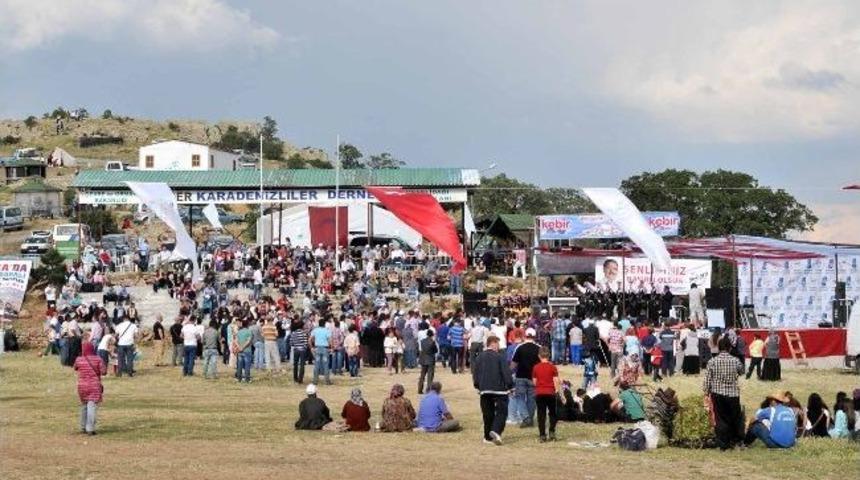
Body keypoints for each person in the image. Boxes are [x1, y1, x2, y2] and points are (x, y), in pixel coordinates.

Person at [703, 337, 745, 450]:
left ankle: (723, 443)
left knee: (720, 418)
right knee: (734, 418)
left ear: (719, 347)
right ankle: (735, 441)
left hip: (717, 393)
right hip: (733, 394)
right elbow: (742, 372)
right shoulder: (735, 360)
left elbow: (707, 379)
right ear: (729, 348)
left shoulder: (712, 361)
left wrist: (706, 393)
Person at [473, 335, 513, 445]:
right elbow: (506, 372)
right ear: (493, 343)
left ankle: (487, 437)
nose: (499, 347)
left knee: (487, 413)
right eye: (498, 344)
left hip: (484, 389)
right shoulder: (500, 357)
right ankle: (495, 430)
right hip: (499, 389)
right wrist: (510, 386)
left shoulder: (479, 357)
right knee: (502, 411)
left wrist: (478, 386)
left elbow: (475, 373)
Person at [510, 328, 540, 428]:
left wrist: (508, 373)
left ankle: (526, 418)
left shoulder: (519, 347)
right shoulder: (539, 348)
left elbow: (514, 363)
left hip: (520, 376)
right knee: (532, 399)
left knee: (519, 397)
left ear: (525, 336)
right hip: (534, 377)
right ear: (534, 336)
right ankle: (529, 419)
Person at [73, 343, 104, 435]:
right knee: (91, 406)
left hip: (82, 386)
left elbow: (75, 367)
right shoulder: (98, 359)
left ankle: (83, 427)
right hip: (94, 385)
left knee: (84, 405)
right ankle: (90, 429)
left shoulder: (79, 359)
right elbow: (104, 371)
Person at [532, 346, 562, 442]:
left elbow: (534, 382)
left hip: (540, 393)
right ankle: (552, 431)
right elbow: (556, 380)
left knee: (541, 414)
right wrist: (557, 391)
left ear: (539, 356)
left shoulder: (536, 367)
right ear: (549, 355)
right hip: (550, 393)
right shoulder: (552, 367)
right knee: (552, 413)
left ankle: (542, 435)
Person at [310, 318, 332, 385]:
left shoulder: (315, 330)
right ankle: (327, 381)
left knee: (317, 365)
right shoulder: (327, 331)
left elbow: (310, 339)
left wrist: (312, 346)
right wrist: (331, 347)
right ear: (324, 324)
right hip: (325, 348)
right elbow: (329, 340)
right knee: (325, 365)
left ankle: (315, 381)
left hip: (317, 348)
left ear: (318, 324)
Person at [418, 329, 438, 394]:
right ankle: (428, 389)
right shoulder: (432, 342)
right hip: (430, 359)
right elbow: (435, 350)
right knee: (430, 376)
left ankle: (420, 389)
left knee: (422, 375)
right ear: (432, 335)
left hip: (423, 359)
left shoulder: (422, 341)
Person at [289, 319, 308, 384]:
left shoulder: (293, 333)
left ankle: (295, 378)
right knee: (302, 365)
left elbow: (291, 343)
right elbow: (305, 342)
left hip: (296, 349)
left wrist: (296, 345)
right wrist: (304, 348)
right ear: (302, 326)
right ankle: (300, 379)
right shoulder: (304, 333)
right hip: (302, 350)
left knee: (295, 364)